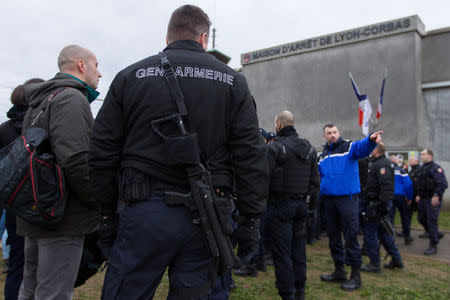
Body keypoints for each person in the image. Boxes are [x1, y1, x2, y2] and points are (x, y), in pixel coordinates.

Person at [89, 5, 268, 299]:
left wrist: (107, 215)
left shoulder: (130, 76)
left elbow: (102, 152)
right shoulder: (233, 81)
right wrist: (250, 219)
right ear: (203, 39)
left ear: (168, 37)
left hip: (143, 211)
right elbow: (250, 156)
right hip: (206, 214)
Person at [18, 45, 101, 300]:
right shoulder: (71, 98)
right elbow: (75, 159)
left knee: (31, 289)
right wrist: (96, 201)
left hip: (37, 210)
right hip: (63, 217)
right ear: (81, 65)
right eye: (96, 66)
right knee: (53, 293)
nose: (99, 74)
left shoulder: (41, 100)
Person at [318, 123, 382, 291]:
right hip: (329, 201)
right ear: (324, 136)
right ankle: (339, 271)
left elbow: (362, 147)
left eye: (334, 131)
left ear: (338, 132)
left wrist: (370, 140)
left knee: (351, 237)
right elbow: (319, 177)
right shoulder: (323, 156)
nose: (332, 135)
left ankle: (355, 276)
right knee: (333, 238)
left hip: (347, 199)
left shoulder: (348, 148)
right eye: (329, 133)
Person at [264, 111, 319, 300]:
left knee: (282, 253)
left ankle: (287, 294)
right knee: (299, 251)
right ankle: (300, 291)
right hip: (301, 207)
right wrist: (312, 209)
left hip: (280, 207)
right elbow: (315, 183)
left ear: (278, 124)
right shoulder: (310, 149)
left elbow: (262, 177)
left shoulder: (276, 148)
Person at [0, 78, 45, 300]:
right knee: (43, 268)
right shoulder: (40, 127)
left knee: (18, 266)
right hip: (41, 202)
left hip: (12, 204)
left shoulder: (4, 129)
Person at [361, 143, 404, 273]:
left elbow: (386, 186)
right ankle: (397, 260)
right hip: (379, 204)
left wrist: (380, 204)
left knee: (370, 234)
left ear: (376, 150)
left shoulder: (381, 164)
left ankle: (374, 264)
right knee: (384, 234)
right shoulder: (380, 163)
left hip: (377, 205)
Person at [415, 149, 448, 255]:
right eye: (421, 155)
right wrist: (419, 194)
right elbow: (420, 183)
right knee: (421, 218)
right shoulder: (422, 168)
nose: (421, 156)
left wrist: (436, 195)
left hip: (432, 199)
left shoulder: (436, 168)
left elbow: (443, 184)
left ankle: (433, 245)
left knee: (431, 221)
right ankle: (435, 233)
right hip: (423, 198)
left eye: (424, 154)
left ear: (430, 156)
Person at [388, 156, 414, 245]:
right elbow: (408, 184)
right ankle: (407, 238)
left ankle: (390, 239)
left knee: (390, 218)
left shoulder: (385, 170)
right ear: (395, 161)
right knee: (405, 216)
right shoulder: (401, 170)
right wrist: (409, 197)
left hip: (389, 196)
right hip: (401, 196)